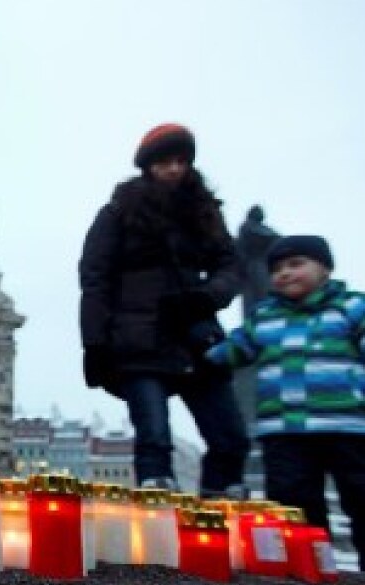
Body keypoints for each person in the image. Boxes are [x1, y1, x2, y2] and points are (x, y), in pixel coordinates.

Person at [206, 235, 365, 576]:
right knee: (292, 505)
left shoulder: (358, 307)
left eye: (296, 264)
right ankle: (302, 573)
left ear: (325, 268)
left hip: (353, 428)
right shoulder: (264, 318)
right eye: (276, 269)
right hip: (284, 433)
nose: (284, 274)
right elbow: (231, 351)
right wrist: (200, 347)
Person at [79, 123, 249, 496]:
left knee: (230, 437)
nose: (173, 169)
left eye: (181, 161)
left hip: (195, 334)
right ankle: (159, 514)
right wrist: (95, 342)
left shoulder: (204, 212)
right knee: (154, 438)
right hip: (138, 339)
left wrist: (208, 296)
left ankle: (222, 507)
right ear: (148, 166)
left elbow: (232, 267)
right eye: (164, 161)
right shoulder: (118, 212)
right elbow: (95, 278)